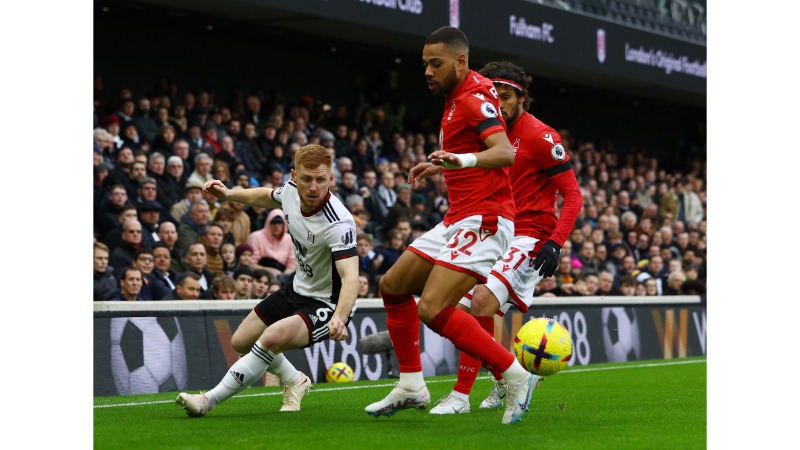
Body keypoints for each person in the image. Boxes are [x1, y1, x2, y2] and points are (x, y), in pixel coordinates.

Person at [365, 28, 539, 425]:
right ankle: (411, 385)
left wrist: (462, 161)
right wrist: (442, 162)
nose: (427, 71)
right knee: (392, 286)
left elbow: (503, 153)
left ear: (460, 61)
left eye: (436, 64)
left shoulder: (474, 99)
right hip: (459, 216)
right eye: (425, 63)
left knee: (432, 306)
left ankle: (515, 375)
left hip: (486, 218)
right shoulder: (457, 95)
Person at [427, 61, 581, 415]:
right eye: (494, 96)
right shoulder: (486, 130)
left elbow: (572, 194)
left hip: (531, 235)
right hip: (494, 228)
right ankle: (507, 375)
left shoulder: (543, 137)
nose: (499, 103)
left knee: (480, 303)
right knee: (462, 309)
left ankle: (460, 396)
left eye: (507, 96)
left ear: (523, 99)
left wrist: (556, 241)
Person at [177, 144, 359, 417]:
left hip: (329, 303)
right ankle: (295, 380)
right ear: (294, 176)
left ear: (330, 178)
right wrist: (228, 194)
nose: (313, 187)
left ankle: (207, 401)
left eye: (321, 179)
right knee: (240, 341)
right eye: (306, 179)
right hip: (298, 289)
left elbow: (351, 278)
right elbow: (265, 196)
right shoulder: (289, 191)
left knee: (270, 338)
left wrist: (340, 317)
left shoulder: (338, 222)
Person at [246, 210, 296, 278]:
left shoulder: (289, 239)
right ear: (268, 223)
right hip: (259, 274)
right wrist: (271, 271)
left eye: (280, 223)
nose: (276, 226)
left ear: (284, 224)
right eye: (274, 222)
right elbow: (251, 264)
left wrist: (282, 276)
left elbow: (292, 264)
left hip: (282, 274)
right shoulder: (255, 237)